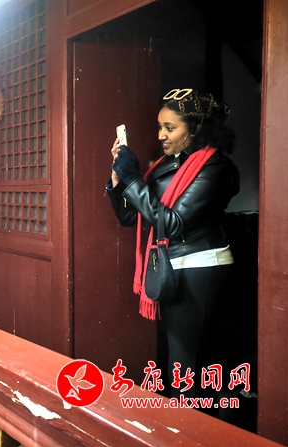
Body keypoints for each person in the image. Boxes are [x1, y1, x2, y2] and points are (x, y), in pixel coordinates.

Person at [106, 89, 239, 405]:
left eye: (170, 127)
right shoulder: (165, 164)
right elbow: (130, 217)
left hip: (200, 265)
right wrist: (118, 178)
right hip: (170, 264)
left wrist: (134, 179)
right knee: (177, 358)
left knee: (186, 364)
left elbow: (173, 223)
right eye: (160, 127)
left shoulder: (215, 167)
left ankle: (189, 427)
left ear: (195, 128)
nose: (161, 135)